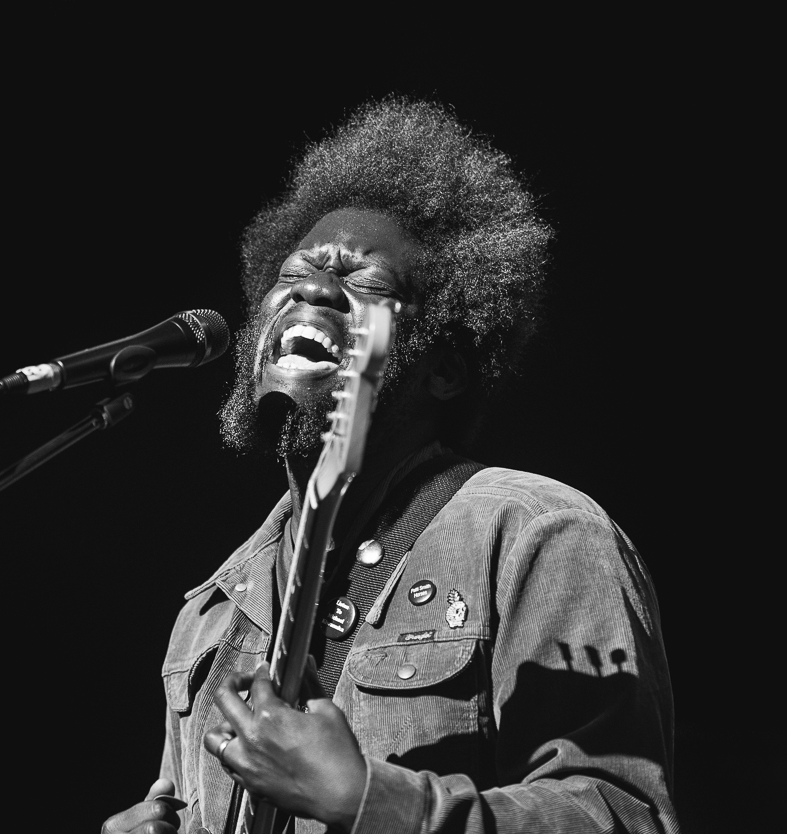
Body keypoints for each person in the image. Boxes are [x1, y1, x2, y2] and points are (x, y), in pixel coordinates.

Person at [102, 98, 676, 834]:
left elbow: (622, 815)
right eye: (296, 272)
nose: (314, 289)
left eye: (366, 285)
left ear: (445, 369)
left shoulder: (536, 534)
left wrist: (366, 800)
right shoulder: (210, 614)